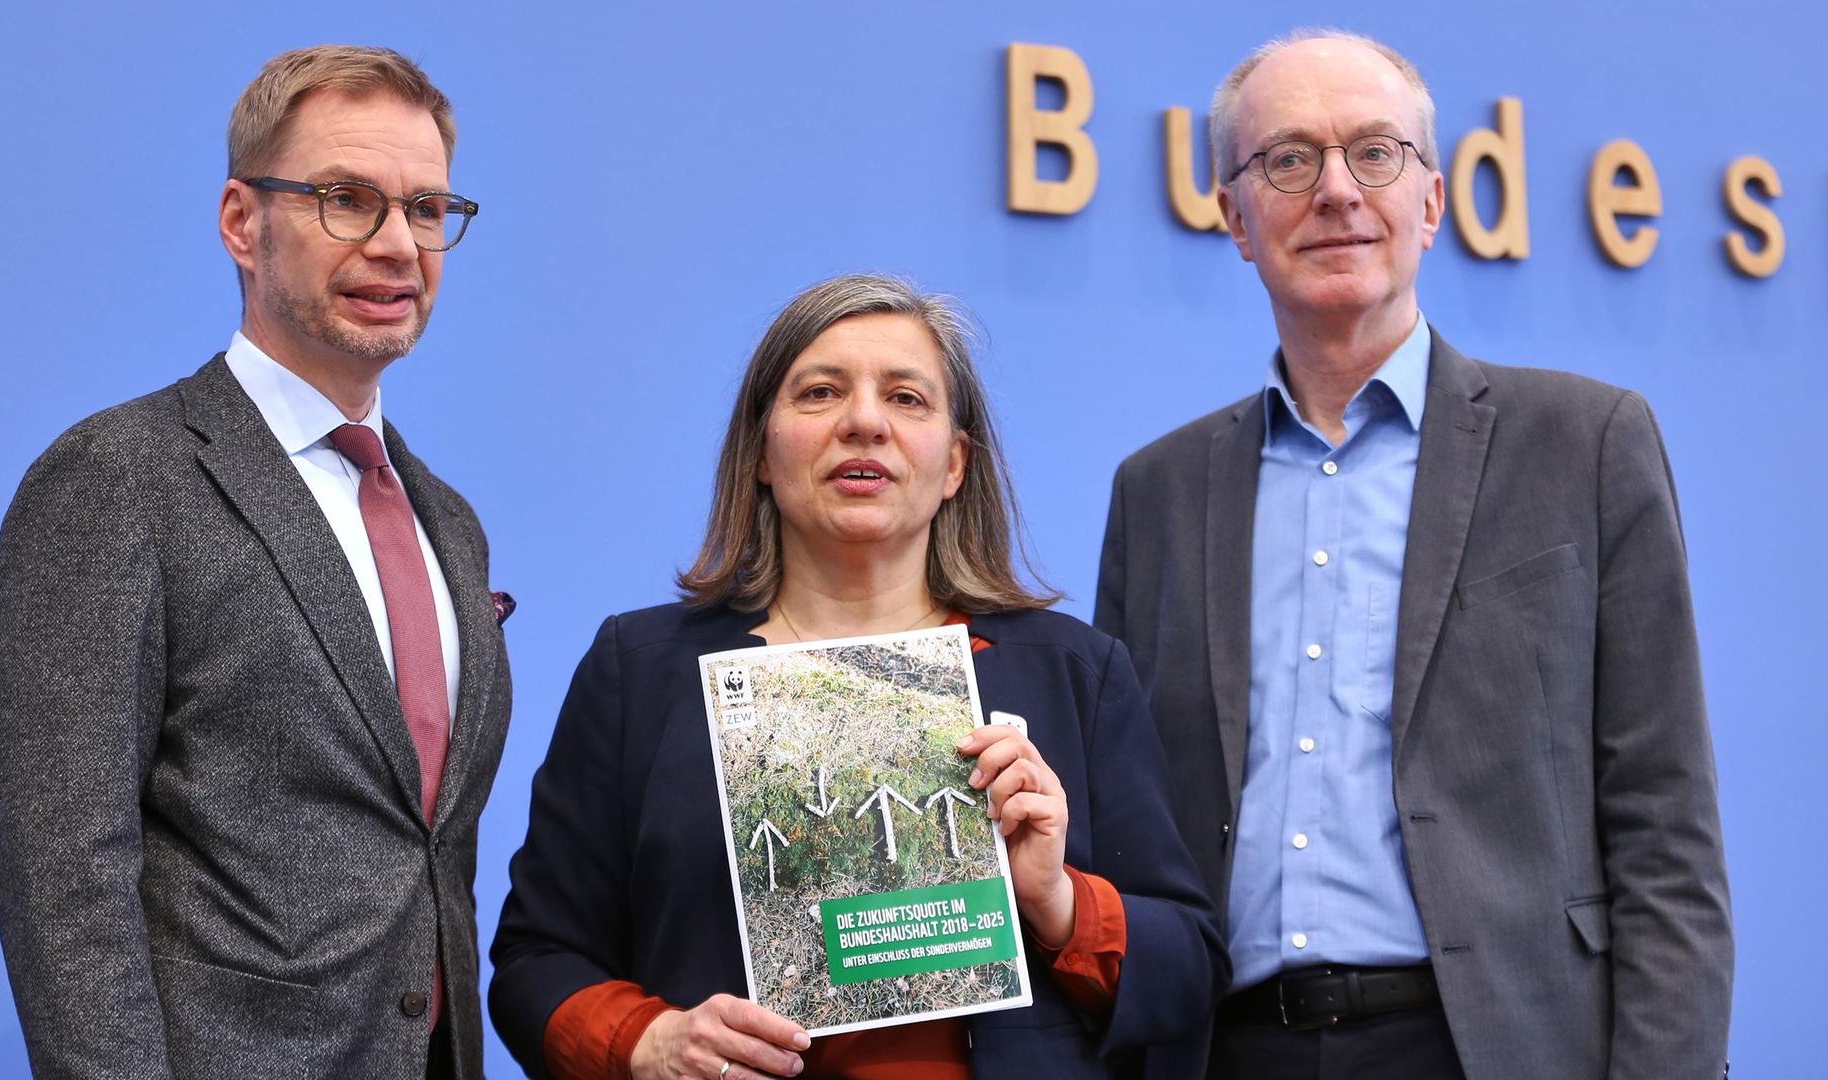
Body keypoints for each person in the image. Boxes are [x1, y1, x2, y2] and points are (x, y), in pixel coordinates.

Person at [1094, 28, 1732, 1080]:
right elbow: (1127, 842)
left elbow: (1667, 828)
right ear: (1235, 219)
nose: (1337, 191)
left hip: (1499, 1045)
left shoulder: (1586, 443)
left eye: (1376, 153)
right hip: (1228, 1050)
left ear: (1432, 202)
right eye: (1289, 160)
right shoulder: (1154, 493)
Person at [489, 274, 1227, 1079]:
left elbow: (1189, 970)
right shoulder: (642, 671)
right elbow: (536, 960)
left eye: (907, 399)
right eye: (820, 392)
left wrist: (1056, 903)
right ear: (763, 453)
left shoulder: (1077, 673)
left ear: (954, 464)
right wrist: (645, 1042)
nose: (865, 422)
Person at [0, 45, 511, 1080]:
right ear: (241, 221)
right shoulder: (117, 477)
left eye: (426, 209)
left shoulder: (448, 520)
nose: (398, 244)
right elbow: (65, 884)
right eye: (347, 199)